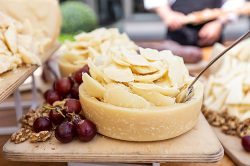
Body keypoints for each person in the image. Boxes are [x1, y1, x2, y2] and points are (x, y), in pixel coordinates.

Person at [144, 0, 230, 47]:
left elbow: (235, 4)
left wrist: (219, 22)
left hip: (212, 42)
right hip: (177, 40)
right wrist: (167, 14)